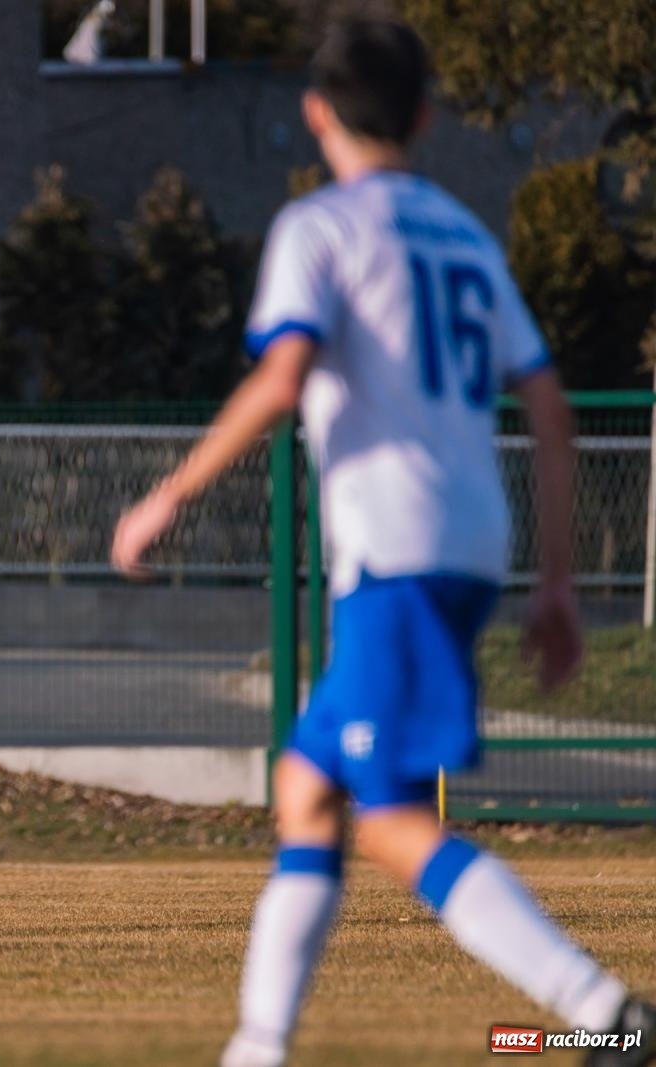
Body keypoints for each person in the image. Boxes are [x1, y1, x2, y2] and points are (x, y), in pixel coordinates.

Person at [110, 16, 653, 1067]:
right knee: (306, 788)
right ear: (423, 114)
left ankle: (602, 1011)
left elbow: (282, 374)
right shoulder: (462, 232)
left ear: (314, 115)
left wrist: (167, 494)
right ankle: (257, 1045)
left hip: (395, 552)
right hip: (465, 541)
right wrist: (555, 581)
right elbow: (546, 403)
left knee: (394, 822)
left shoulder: (318, 231)